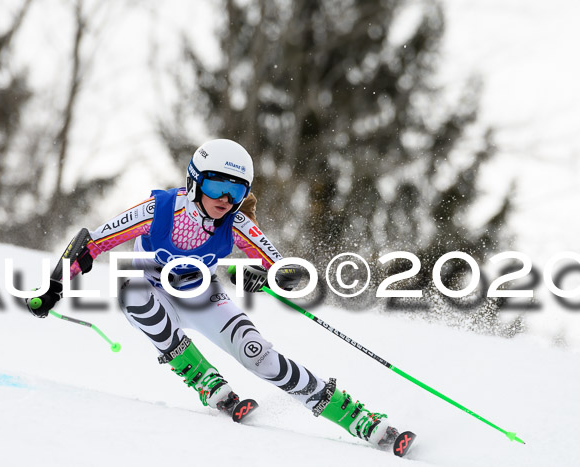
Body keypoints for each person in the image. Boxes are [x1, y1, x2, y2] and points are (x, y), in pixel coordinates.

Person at [27, 139, 399, 449]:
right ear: (194, 181)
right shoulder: (159, 211)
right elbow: (90, 244)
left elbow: (285, 269)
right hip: (148, 284)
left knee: (259, 355)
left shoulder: (236, 224)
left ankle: (353, 416)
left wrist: (266, 277)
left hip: (201, 293)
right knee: (134, 293)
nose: (224, 198)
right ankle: (202, 377)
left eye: (236, 190)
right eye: (215, 185)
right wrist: (54, 285)